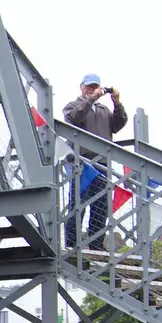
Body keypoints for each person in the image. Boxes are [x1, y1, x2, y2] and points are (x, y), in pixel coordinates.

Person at [61, 73, 128, 251]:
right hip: (81, 163)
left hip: (102, 164)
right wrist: (90, 99)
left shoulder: (104, 110)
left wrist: (117, 103)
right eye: (89, 86)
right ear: (81, 87)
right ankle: (72, 244)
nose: (92, 90)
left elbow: (118, 124)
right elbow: (74, 118)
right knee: (78, 204)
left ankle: (96, 244)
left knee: (101, 206)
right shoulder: (72, 106)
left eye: (95, 87)